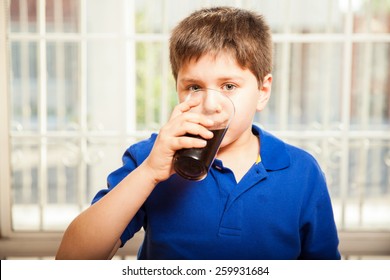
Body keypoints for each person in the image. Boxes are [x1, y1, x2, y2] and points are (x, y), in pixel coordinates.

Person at [56, 6, 340, 260]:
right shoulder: (151, 158)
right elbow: (71, 260)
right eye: (194, 87)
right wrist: (149, 172)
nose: (210, 104)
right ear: (177, 88)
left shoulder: (302, 172)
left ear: (262, 92)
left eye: (229, 86)